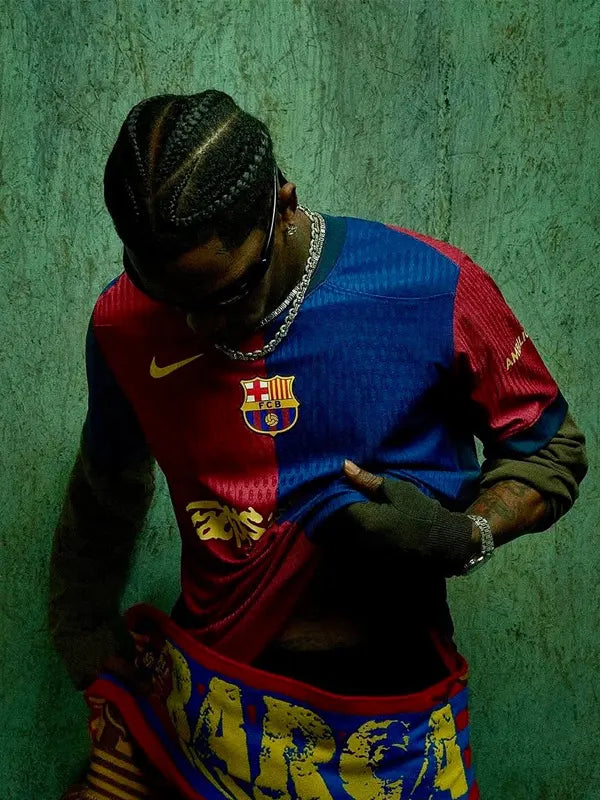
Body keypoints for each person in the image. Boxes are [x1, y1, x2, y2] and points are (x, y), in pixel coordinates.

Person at [50, 90, 587, 800]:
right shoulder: (124, 320)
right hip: (208, 703)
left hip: (389, 726)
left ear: (284, 204)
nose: (197, 325)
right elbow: (107, 482)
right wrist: (82, 624)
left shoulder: (429, 286)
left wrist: (467, 535)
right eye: (169, 297)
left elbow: (551, 449)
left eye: (225, 294)